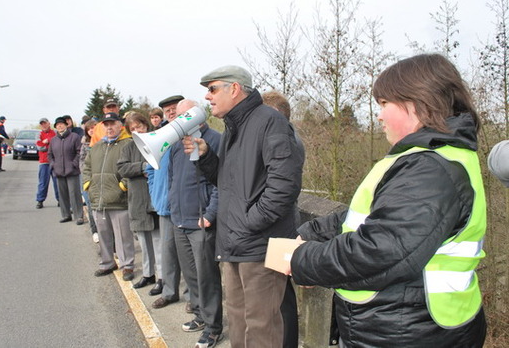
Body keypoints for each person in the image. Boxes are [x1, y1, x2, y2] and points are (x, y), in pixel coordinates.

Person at [289, 54, 487, 347]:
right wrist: (311, 232)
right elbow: (370, 215)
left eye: (384, 104)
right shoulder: (425, 158)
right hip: (398, 325)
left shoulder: (430, 169)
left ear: (419, 102)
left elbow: (379, 251)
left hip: (409, 332)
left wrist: (301, 260)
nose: (378, 115)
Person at [182, 66, 303, 347]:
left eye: (212, 89)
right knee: (238, 321)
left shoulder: (269, 121)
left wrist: (249, 222)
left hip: (258, 245)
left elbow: (284, 186)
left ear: (234, 89)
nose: (207, 97)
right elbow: (228, 182)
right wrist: (207, 156)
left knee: (261, 328)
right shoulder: (235, 127)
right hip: (234, 243)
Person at [169, 99, 223, 348]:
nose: (179, 120)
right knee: (192, 275)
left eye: (185, 115)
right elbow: (174, 179)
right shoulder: (176, 145)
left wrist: (210, 214)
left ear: (198, 116)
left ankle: (213, 327)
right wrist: (173, 208)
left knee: (207, 277)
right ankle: (201, 316)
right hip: (180, 219)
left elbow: (220, 183)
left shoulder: (214, 140)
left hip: (201, 221)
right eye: (178, 116)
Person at [262, 90, 303, 348]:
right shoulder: (287, 136)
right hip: (278, 225)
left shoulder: (287, 141)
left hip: (281, 227)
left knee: (282, 296)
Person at [146, 94, 189, 309]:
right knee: (168, 252)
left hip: (186, 205)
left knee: (190, 257)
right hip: (165, 204)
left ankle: (192, 296)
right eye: (167, 110)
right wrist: (155, 193)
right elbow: (150, 169)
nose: (171, 113)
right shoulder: (159, 136)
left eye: (174, 109)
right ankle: (170, 292)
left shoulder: (190, 132)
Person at [83, 112, 135, 281]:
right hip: (99, 199)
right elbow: (87, 167)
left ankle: (127, 265)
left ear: (120, 125)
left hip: (119, 199)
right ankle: (107, 262)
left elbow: (132, 166)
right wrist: (87, 184)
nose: (109, 127)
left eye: (113, 123)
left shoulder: (128, 144)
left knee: (123, 236)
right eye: (106, 124)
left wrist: (123, 185)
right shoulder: (97, 146)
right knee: (104, 235)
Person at [117, 112, 162, 290]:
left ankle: (162, 278)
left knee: (158, 243)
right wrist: (142, 167)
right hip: (137, 201)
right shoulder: (127, 147)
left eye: (140, 126)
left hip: (155, 200)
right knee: (144, 243)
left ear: (146, 125)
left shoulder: (156, 141)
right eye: (133, 128)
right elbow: (122, 168)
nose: (137, 130)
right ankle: (147, 274)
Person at [48, 117, 84, 225]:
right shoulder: (53, 140)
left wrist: (74, 164)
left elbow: (79, 152)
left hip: (72, 171)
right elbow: (50, 155)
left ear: (66, 125)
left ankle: (79, 216)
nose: (59, 126)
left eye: (61, 124)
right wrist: (53, 165)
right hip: (59, 171)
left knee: (75, 194)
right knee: (62, 195)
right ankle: (66, 215)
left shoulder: (74, 137)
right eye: (57, 125)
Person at [80, 119, 99, 243]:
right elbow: (82, 162)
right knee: (91, 206)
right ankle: (95, 231)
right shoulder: (84, 145)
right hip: (89, 180)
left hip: (101, 179)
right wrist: (87, 177)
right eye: (89, 128)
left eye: (94, 127)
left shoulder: (102, 142)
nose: (92, 130)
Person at [35, 118, 59, 209]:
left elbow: (57, 146)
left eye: (45, 123)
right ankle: (40, 200)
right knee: (43, 182)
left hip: (55, 161)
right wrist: (48, 145)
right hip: (44, 162)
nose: (44, 125)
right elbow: (40, 147)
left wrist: (47, 142)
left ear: (49, 123)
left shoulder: (55, 133)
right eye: (42, 124)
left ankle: (60, 200)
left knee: (57, 182)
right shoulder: (39, 134)